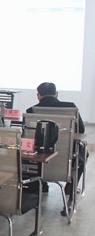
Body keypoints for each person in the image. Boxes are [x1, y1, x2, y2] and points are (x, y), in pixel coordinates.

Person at [26, 81, 86, 213]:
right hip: (67, 154)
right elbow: (81, 130)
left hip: (40, 156)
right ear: (56, 94)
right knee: (83, 153)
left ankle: (41, 184)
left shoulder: (32, 110)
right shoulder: (70, 108)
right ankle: (70, 188)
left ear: (38, 95)